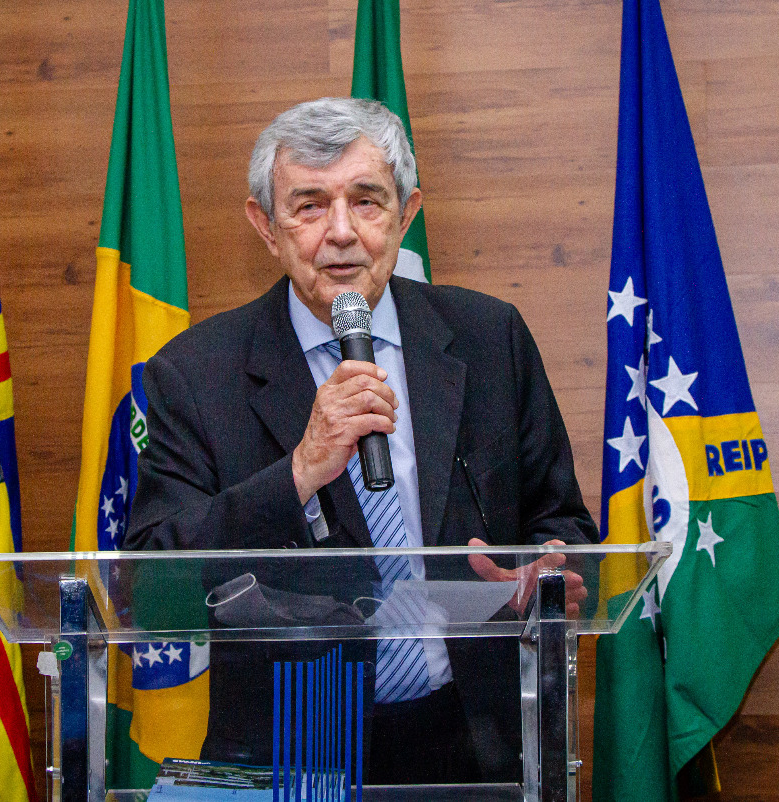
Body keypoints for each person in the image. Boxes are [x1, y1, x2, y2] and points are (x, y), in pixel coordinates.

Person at [123, 97, 598, 784]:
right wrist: (298, 473)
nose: (341, 233)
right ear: (265, 226)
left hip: (476, 739)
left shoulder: (489, 337)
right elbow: (153, 590)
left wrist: (546, 573)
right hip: (294, 741)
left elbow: (562, 520)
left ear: (406, 215)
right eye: (309, 206)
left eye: (367, 202)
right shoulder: (195, 373)